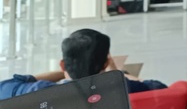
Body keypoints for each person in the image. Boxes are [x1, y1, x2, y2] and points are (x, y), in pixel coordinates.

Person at [0, 29, 167, 100]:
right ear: (105, 64)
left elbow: (14, 83)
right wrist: (117, 75)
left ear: (62, 65)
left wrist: (67, 70)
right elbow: (160, 89)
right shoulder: (125, 89)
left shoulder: (37, 91)